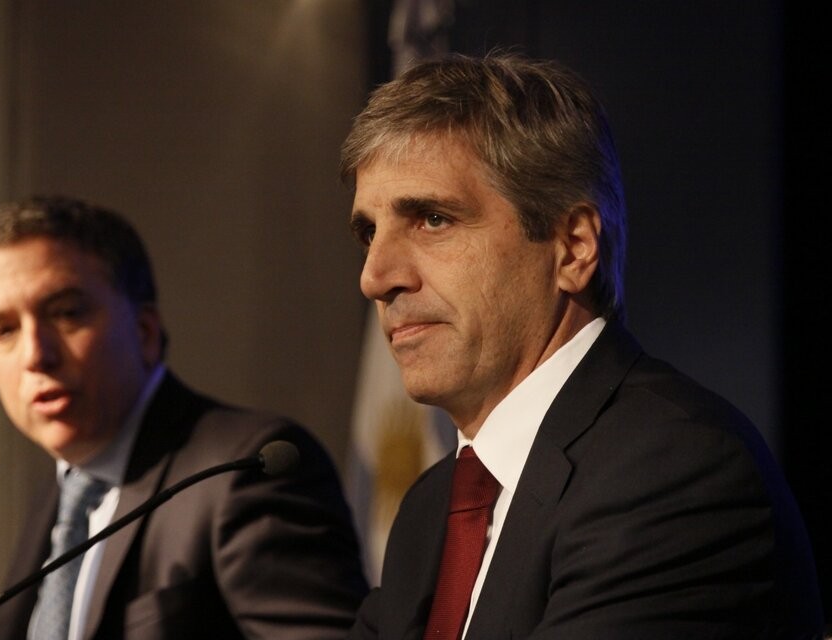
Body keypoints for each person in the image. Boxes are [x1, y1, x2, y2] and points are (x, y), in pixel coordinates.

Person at [340, 52, 824, 639]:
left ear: (573, 248)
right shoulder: (431, 507)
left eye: (433, 219)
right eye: (369, 232)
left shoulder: (672, 471)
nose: (375, 277)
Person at [0, 196, 368, 639]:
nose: (35, 354)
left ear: (145, 332)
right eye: (4, 330)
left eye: (66, 313)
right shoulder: (58, 498)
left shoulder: (244, 471)